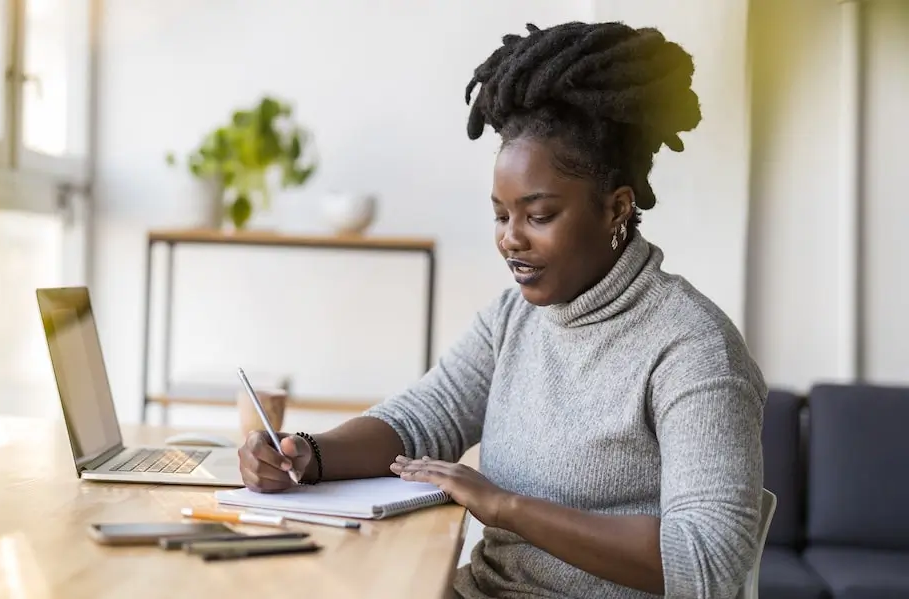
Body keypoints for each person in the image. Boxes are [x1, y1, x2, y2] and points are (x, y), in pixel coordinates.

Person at [237, 20, 767, 599]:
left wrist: (506, 507)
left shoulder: (693, 348)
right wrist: (307, 455)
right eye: (501, 215)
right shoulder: (514, 319)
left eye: (538, 216)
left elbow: (707, 560)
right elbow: (424, 418)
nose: (511, 239)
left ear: (616, 209)